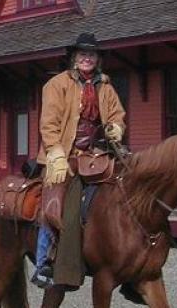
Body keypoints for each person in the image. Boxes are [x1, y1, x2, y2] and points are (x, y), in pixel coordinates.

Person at [32, 33, 127, 289]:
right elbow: (48, 123)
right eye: (82, 54)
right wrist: (55, 152)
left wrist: (116, 128)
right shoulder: (57, 84)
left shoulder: (105, 86)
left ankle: (129, 265)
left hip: (98, 155)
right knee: (58, 204)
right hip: (66, 155)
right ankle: (45, 264)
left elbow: (117, 114)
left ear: (98, 59)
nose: (87, 58)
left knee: (129, 190)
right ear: (74, 58)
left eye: (92, 54)